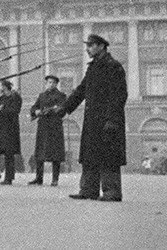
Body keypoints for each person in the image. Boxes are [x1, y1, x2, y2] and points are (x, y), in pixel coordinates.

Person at [64, 34, 127, 202]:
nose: (87, 49)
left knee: (109, 155)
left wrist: (112, 119)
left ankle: (112, 191)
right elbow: (81, 90)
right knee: (90, 153)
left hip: (108, 119)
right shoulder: (93, 67)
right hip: (92, 119)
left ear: (101, 46)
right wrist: (65, 107)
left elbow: (119, 95)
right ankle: (88, 190)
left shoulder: (113, 66)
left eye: (91, 45)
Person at [29, 74, 68, 186]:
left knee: (56, 154)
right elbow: (34, 107)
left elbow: (62, 110)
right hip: (43, 126)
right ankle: (38, 178)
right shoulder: (42, 95)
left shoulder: (61, 96)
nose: (51, 84)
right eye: (49, 82)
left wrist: (52, 111)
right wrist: (35, 112)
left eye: (53, 82)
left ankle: (55, 179)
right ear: (46, 83)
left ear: (56, 84)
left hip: (54, 127)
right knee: (40, 154)